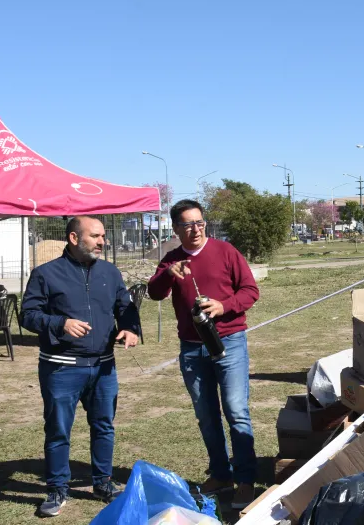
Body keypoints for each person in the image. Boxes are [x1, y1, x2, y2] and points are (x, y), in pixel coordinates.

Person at [21, 216, 140, 518]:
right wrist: (60, 323)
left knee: (103, 426)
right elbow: (28, 315)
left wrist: (130, 328)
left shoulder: (110, 272)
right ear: (74, 238)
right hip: (62, 368)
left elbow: (125, 307)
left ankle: (103, 482)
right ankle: (57, 488)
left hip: (103, 367)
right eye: (95, 236)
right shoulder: (45, 274)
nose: (103, 241)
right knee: (58, 430)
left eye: (103, 236)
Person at [147, 200, 259, 509]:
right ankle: (221, 475)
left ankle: (245, 480)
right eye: (187, 225)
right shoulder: (171, 260)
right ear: (175, 229)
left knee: (236, 410)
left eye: (199, 223)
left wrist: (224, 306)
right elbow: (154, 292)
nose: (195, 229)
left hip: (228, 341)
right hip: (192, 348)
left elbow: (250, 291)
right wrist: (168, 274)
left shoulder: (226, 252)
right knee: (207, 415)